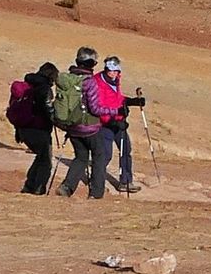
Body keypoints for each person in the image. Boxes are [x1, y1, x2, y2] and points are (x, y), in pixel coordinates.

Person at [54, 46, 118, 199]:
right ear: (93, 64)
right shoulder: (90, 82)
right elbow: (95, 109)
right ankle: (96, 194)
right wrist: (114, 111)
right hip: (90, 128)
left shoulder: (66, 80)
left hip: (72, 128)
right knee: (99, 157)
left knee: (80, 157)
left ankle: (67, 187)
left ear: (77, 61)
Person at [7, 60, 61, 195]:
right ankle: (38, 188)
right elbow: (47, 108)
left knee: (40, 157)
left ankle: (29, 185)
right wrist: (58, 121)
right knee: (46, 162)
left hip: (23, 129)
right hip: (38, 129)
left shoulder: (28, 85)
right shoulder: (44, 88)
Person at [98, 54, 149, 195]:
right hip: (106, 124)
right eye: (110, 70)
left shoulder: (116, 81)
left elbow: (118, 99)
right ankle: (97, 181)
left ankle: (126, 181)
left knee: (126, 150)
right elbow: (99, 106)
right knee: (105, 154)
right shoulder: (99, 83)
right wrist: (111, 120)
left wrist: (131, 101)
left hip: (119, 122)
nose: (112, 73)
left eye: (115, 71)